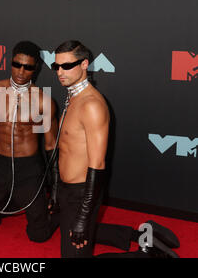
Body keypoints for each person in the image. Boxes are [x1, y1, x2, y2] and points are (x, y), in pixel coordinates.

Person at [52, 40, 179, 258]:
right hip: (67, 189)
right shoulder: (72, 97)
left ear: (84, 65)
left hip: (82, 193)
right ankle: (142, 234)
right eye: (57, 67)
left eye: (67, 66)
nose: (60, 72)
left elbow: (97, 165)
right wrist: (56, 189)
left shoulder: (91, 105)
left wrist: (84, 216)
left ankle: (147, 254)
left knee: (75, 249)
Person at [0, 41, 61, 242]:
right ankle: (10, 198)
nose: (21, 71)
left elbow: (51, 146)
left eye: (28, 67)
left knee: (38, 236)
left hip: (28, 167)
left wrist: (55, 188)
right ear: (11, 63)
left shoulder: (43, 101)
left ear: (36, 69)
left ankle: (53, 216)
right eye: (17, 64)